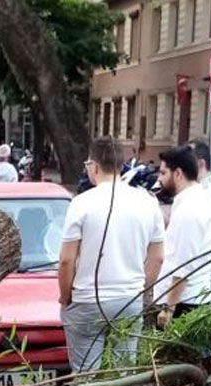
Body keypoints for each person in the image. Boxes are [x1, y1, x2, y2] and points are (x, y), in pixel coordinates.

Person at [59, 138, 165, 374]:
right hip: (128, 300)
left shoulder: (81, 203)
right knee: (122, 374)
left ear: (94, 167)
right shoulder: (148, 203)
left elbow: (67, 260)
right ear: (121, 165)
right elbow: (157, 258)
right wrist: (140, 291)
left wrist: (65, 297)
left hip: (87, 299)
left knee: (85, 375)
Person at [156, 146, 211, 326]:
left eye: (163, 173)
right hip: (189, 300)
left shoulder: (190, 209)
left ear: (178, 174)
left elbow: (183, 266)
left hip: (184, 304)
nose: (159, 179)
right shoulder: (198, 200)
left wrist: (168, 309)